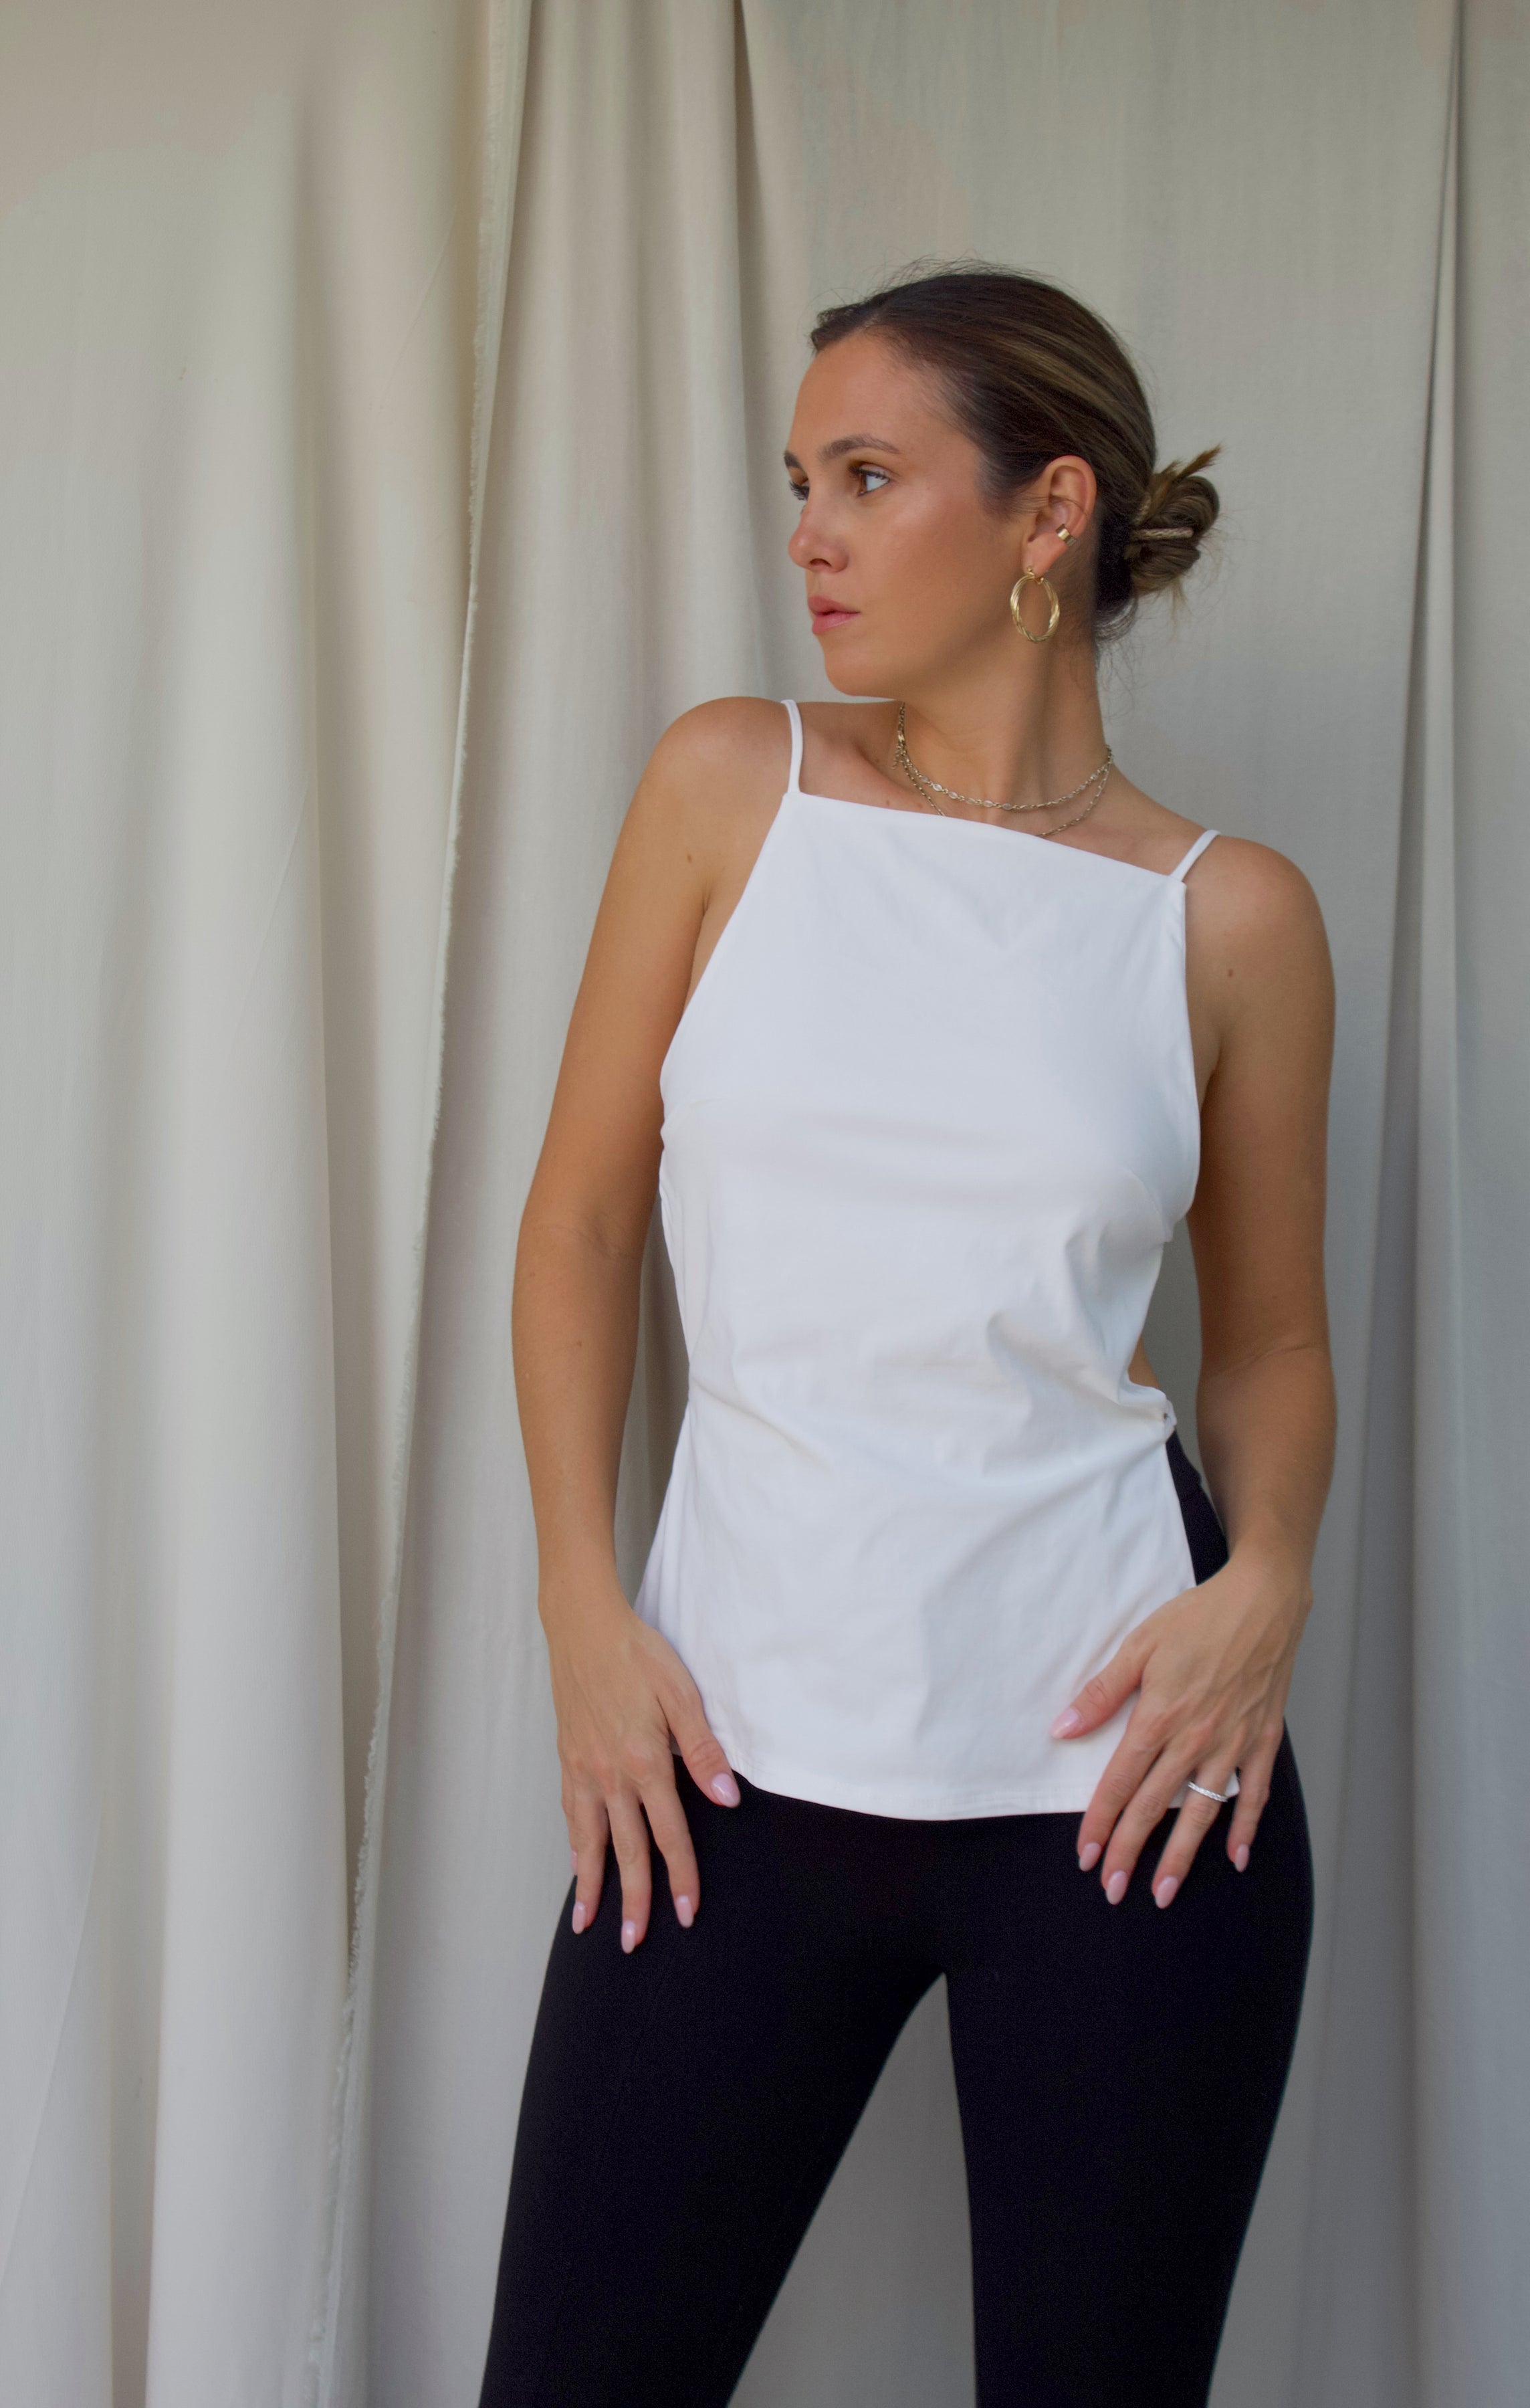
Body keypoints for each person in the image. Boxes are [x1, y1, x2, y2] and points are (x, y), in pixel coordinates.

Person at [477, 262, 1335, 2408]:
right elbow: (578, 1223)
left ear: (1051, 512)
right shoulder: (731, 786)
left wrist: (1270, 1582)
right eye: (802, 483)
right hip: (730, 1752)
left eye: (867, 478)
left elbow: (1271, 1342)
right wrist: (581, 1603)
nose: (810, 536)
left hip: (1126, 1781)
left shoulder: (1228, 915)